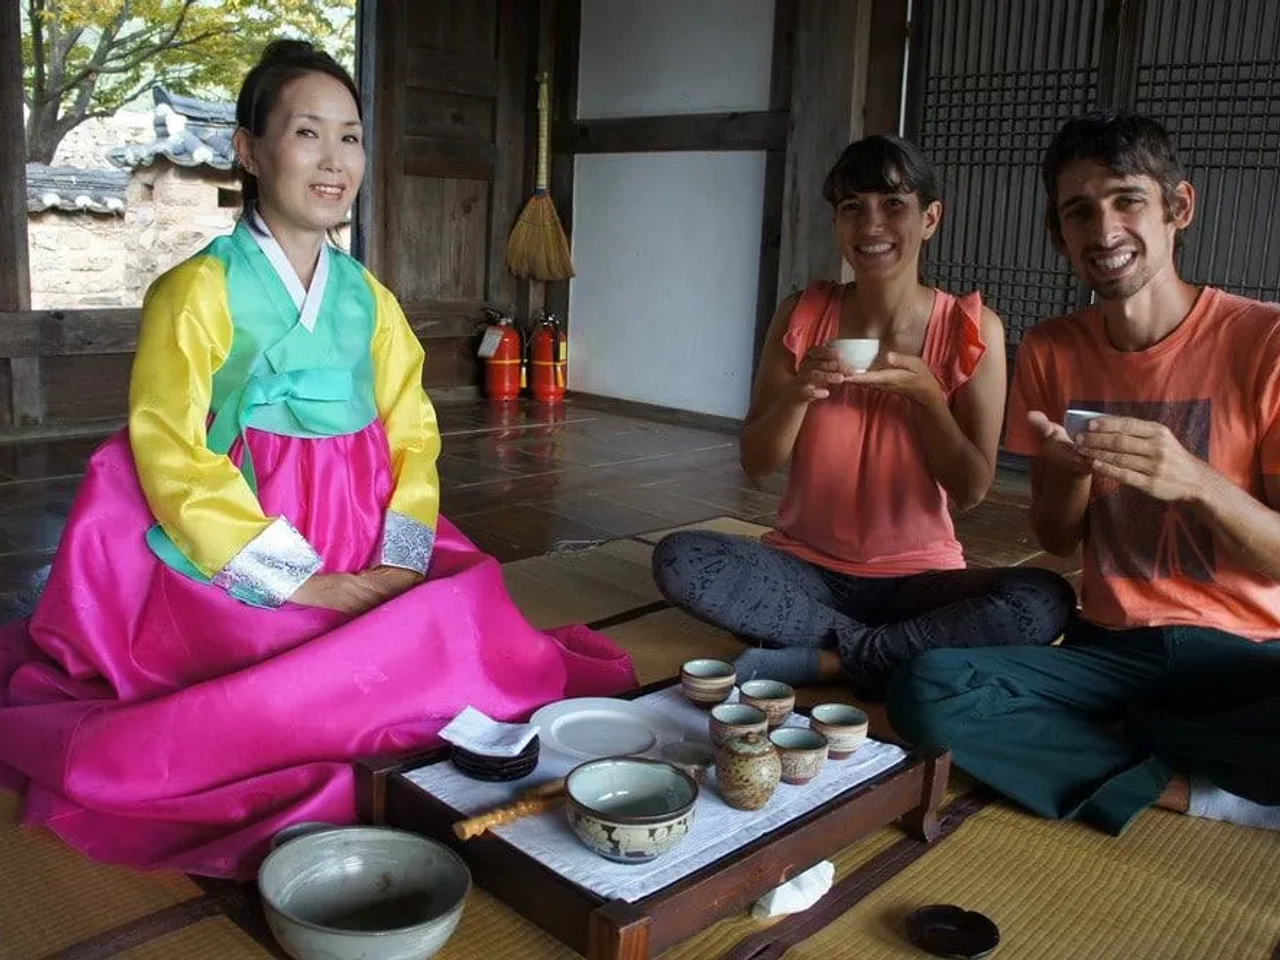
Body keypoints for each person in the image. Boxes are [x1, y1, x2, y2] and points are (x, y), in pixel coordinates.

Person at [0, 39, 634, 878]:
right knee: (306, 690)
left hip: (365, 526)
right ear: (248, 149)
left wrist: (401, 555)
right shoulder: (196, 292)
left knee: (461, 613)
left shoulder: (367, 297)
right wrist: (296, 579)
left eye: (351, 137)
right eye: (307, 133)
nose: (335, 161)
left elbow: (411, 431)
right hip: (238, 543)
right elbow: (173, 450)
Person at [888, 111, 1280, 833]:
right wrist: (1068, 476)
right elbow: (1056, 537)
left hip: (1247, 660)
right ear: (1060, 234)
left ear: (1178, 207)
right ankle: (1200, 789)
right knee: (927, 686)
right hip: (1113, 652)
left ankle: (1131, 740)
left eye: (1127, 199)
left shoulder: (1265, 340)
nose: (1104, 231)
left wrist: (1196, 480)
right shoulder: (1052, 349)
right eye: (1079, 212)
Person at [651, 135, 1075, 700]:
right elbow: (756, 462)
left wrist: (928, 397)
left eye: (893, 204)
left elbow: (972, 488)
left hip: (920, 580)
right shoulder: (804, 313)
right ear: (838, 222)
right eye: (852, 208)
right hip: (805, 571)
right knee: (682, 560)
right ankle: (899, 650)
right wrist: (800, 391)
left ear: (930, 218)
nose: (870, 225)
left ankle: (828, 662)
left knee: (1044, 600)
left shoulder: (972, 330)